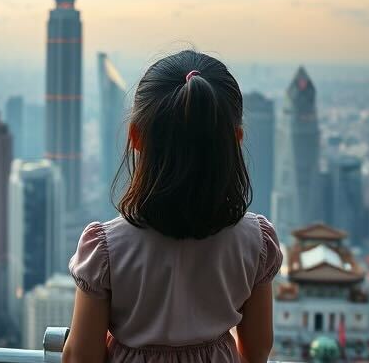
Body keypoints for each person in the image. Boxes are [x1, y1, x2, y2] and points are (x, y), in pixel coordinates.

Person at [63, 50, 283, 363]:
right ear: (236, 139)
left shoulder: (107, 249)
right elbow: (258, 349)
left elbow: (81, 357)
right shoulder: (255, 242)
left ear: (136, 137)